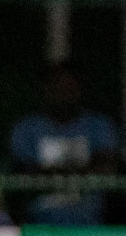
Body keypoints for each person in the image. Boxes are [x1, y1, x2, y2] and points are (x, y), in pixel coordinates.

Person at [9, 62, 119, 225]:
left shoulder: (98, 126)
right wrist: (80, 171)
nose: (63, 93)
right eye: (57, 87)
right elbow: (26, 175)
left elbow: (105, 169)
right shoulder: (26, 129)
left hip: (91, 221)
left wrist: (52, 173)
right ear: (45, 90)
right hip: (39, 222)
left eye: (69, 87)